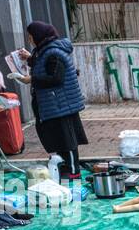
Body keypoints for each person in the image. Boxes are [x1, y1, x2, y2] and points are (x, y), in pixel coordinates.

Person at [15, 21, 87, 181]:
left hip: (61, 104)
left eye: (31, 36)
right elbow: (44, 65)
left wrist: (31, 79)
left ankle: (73, 173)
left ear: (38, 36)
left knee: (67, 140)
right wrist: (30, 58)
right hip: (55, 103)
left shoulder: (53, 52)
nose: (30, 39)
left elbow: (55, 78)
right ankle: (65, 170)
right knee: (59, 139)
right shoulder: (45, 50)